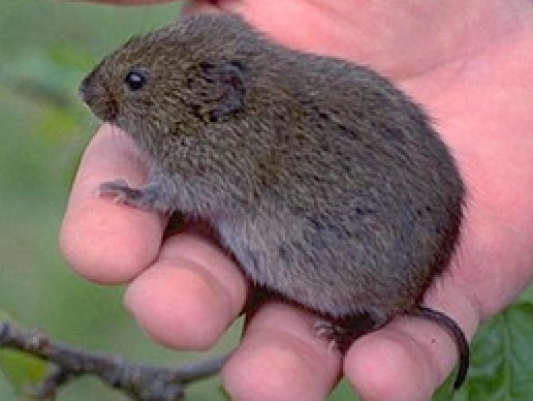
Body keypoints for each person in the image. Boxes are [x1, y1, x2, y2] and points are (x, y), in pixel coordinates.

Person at [60, 1, 533, 400]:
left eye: (135, 84)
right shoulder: (243, 109)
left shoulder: (232, 138)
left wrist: (152, 195)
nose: (99, 95)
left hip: (371, 253)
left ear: (213, 98)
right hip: (400, 215)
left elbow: (217, 188)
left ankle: (367, 315)